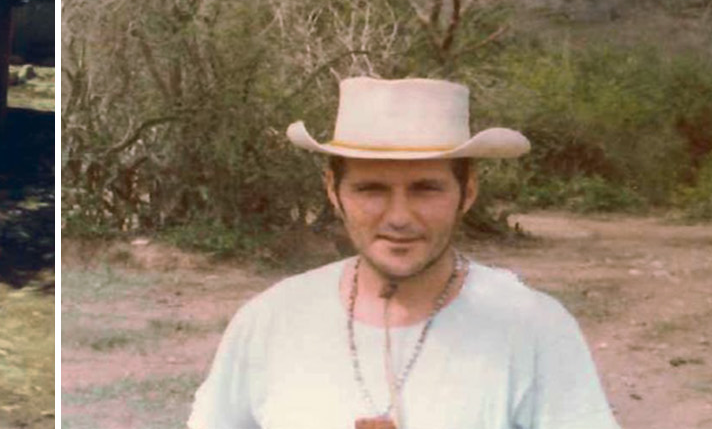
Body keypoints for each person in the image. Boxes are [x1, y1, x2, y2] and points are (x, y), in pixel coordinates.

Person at [187, 77, 620, 429]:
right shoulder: (271, 319)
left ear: (466, 191)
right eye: (371, 189)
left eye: (425, 189)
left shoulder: (533, 328)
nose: (399, 217)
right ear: (333, 192)